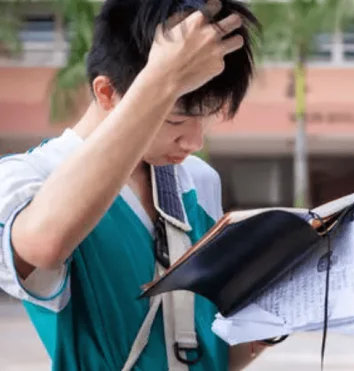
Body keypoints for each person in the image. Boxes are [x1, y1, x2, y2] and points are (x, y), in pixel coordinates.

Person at [0, 0, 272, 370]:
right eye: (176, 120)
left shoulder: (197, 180)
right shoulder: (27, 177)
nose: (194, 142)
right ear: (107, 93)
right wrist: (164, 76)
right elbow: (42, 245)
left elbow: (208, 353)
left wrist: (272, 316)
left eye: (206, 119)